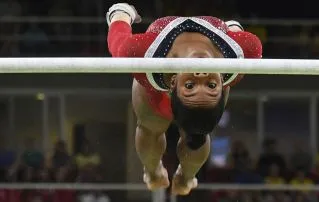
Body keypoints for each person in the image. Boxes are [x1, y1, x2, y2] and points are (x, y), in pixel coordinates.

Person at [106, 3, 262, 195]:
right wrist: (233, 30)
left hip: (157, 84)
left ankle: (185, 176)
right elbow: (240, 40)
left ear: (173, 84)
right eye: (211, 86)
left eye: (190, 86)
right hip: (175, 85)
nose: (201, 74)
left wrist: (121, 14)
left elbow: (119, 42)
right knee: (166, 129)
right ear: (221, 80)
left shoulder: (143, 54)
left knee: (164, 130)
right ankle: (156, 171)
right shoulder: (242, 52)